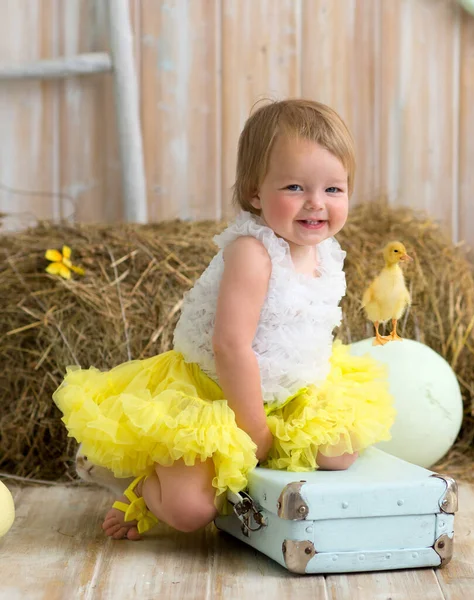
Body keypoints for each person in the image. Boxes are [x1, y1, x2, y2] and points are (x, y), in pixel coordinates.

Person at [53, 98, 395, 541]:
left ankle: (253, 456)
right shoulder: (253, 253)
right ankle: (143, 485)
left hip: (289, 388)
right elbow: (230, 346)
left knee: (339, 450)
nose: (316, 204)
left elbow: (303, 334)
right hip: (215, 394)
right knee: (190, 510)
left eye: (333, 189)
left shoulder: (325, 251)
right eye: (294, 188)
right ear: (255, 192)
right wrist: (252, 428)